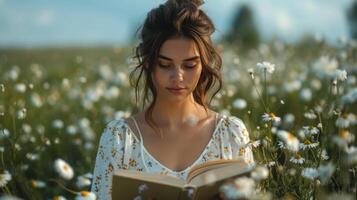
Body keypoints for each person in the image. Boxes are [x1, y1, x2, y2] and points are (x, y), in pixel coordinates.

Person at [90, 0, 254, 199]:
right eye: (165, 64)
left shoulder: (230, 135)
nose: (178, 77)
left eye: (189, 65)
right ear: (149, 63)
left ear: (204, 65)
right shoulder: (118, 140)